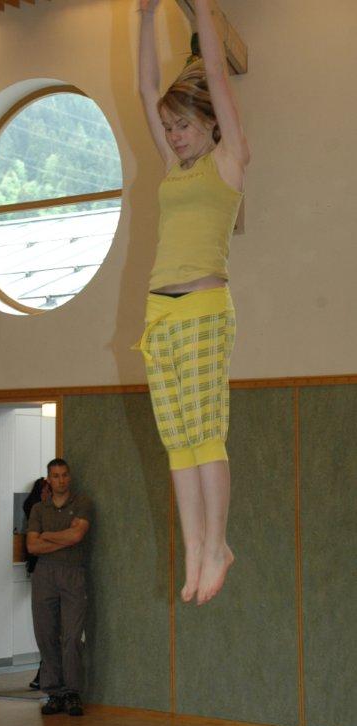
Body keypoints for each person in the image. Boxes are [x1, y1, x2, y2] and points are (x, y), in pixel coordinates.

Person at [136, 0, 250, 606]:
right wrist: (143, 17)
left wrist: (201, 8)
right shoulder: (171, 168)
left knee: (206, 436)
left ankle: (217, 544)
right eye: (170, 127)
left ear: (209, 124)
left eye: (183, 125)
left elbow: (219, 74)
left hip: (204, 309)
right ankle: (195, 547)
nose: (175, 135)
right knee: (177, 441)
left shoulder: (228, 162)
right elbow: (145, 87)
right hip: (159, 313)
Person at [26, 459, 91, 716]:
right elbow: (32, 546)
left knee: (72, 636)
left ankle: (72, 692)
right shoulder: (39, 509)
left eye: (64, 475)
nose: (61, 480)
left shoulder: (82, 503)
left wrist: (47, 536)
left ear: (69, 477)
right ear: (49, 480)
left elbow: (77, 536)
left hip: (73, 573)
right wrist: (65, 536)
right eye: (55, 476)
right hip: (45, 575)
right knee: (46, 633)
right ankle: (54, 693)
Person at [22, 476, 51, 690]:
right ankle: (45, 671)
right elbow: (33, 545)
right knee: (44, 625)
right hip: (39, 569)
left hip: (56, 570)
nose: (46, 494)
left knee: (54, 627)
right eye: (44, 491)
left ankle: (48, 672)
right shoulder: (35, 512)